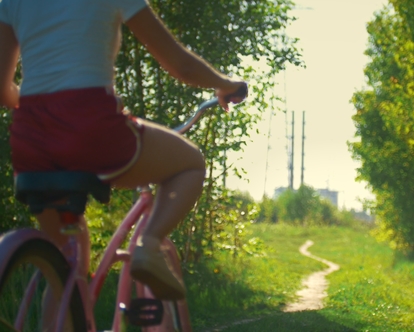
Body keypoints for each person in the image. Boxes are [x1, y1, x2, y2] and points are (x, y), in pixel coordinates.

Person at [0, 0, 247, 301]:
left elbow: (2, 88)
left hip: (31, 140)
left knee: (65, 266)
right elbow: (180, 65)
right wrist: (225, 83)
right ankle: (149, 245)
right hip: (92, 127)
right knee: (190, 162)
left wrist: (47, 113)